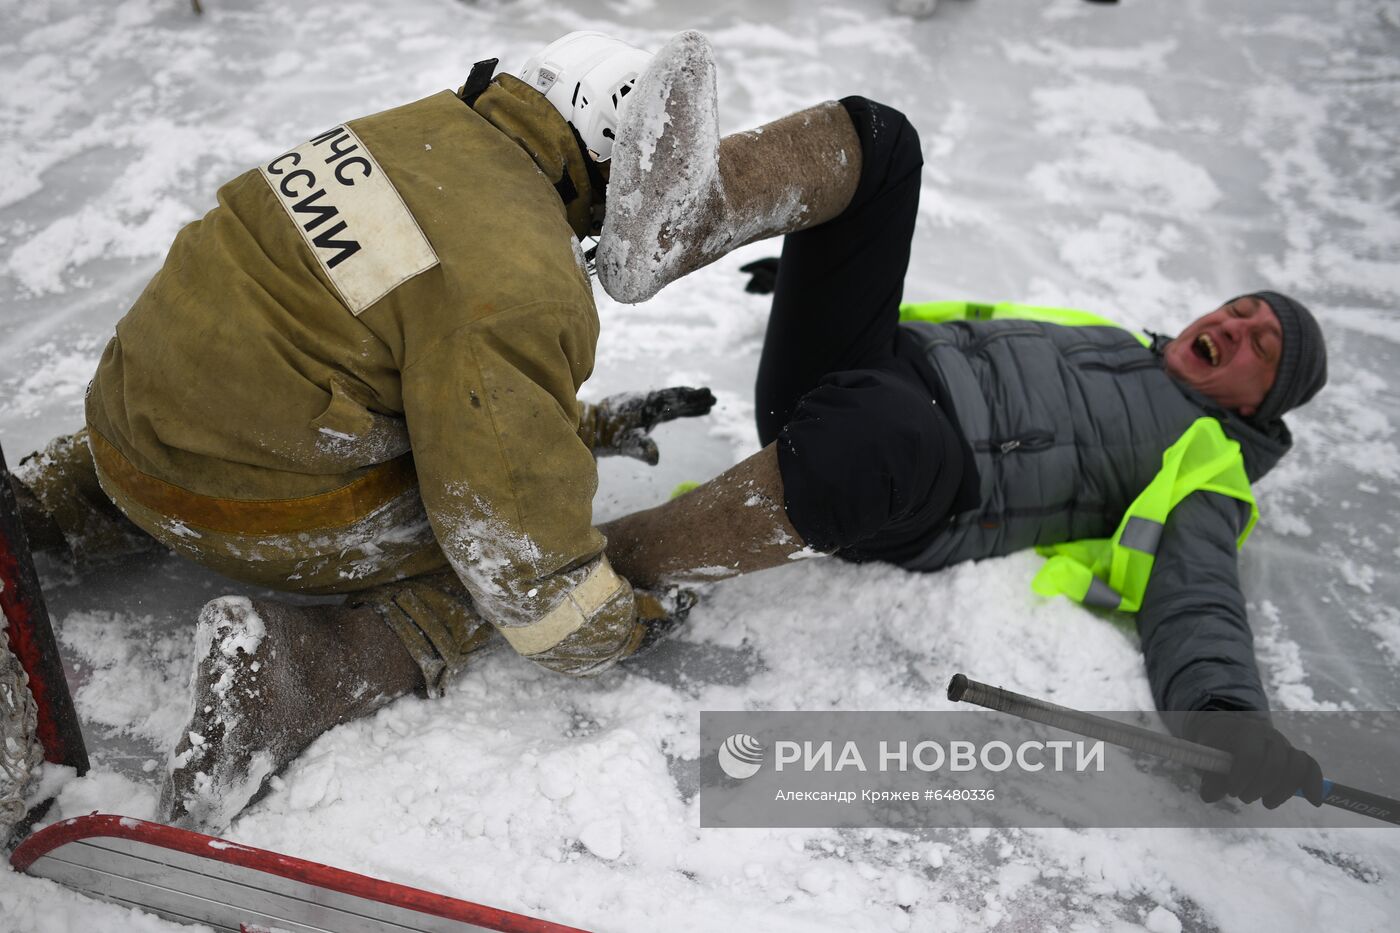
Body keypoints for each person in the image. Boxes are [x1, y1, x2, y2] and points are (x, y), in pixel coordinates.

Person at [4, 29, 882, 831]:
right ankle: (295, 673)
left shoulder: (419, 130)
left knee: (272, 362)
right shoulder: (525, 274)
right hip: (238, 498)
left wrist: (577, 423)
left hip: (125, 424)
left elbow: (403, 327)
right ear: (608, 157)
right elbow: (509, 535)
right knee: (480, 562)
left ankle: (49, 511)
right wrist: (604, 624)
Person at [593, 35, 1328, 812]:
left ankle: (609, 563)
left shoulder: (1209, 461)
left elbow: (1200, 599)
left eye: (1261, 345)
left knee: (884, 436)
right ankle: (679, 221)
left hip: (924, 477)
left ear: (1257, 402)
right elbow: (975, 335)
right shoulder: (1123, 344)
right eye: (1241, 309)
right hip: (869, 372)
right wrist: (825, 276)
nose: (1236, 325)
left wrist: (1230, 720)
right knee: (882, 141)